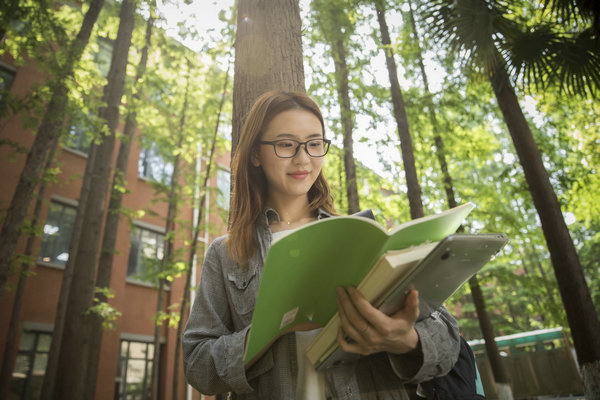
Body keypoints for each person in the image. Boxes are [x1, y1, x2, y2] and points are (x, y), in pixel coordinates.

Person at [182, 91, 460, 399]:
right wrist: (269, 331)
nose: (303, 158)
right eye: (286, 144)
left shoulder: (362, 236)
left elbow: (448, 340)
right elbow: (197, 366)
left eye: (314, 144)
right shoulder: (227, 254)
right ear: (256, 155)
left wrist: (405, 340)